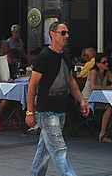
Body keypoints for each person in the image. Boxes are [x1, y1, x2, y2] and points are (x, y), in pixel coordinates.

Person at [26, 22, 90, 176]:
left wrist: (82, 100)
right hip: (47, 111)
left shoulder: (66, 54)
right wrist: (30, 112)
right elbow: (32, 85)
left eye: (67, 32)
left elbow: (70, 81)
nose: (66, 36)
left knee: (45, 148)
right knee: (59, 149)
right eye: (63, 33)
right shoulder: (44, 57)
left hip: (61, 108)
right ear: (52, 35)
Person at [81, 53, 112, 142]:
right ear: (98, 64)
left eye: (107, 62)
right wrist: (109, 87)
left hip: (100, 99)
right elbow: (94, 87)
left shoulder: (107, 72)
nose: (106, 64)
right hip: (88, 99)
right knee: (109, 107)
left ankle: (109, 131)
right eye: (104, 62)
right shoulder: (93, 72)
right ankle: (102, 134)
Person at [0, 47, 21, 130]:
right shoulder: (1, 62)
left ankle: (14, 117)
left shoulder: (12, 65)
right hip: (0, 87)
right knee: (5, 100)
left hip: (10, 86)